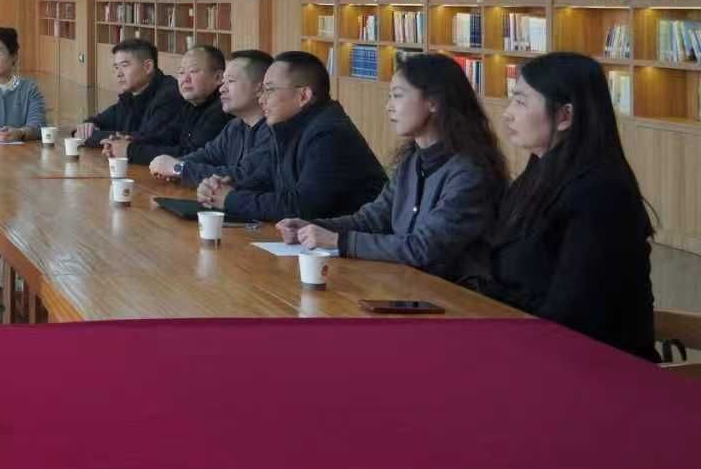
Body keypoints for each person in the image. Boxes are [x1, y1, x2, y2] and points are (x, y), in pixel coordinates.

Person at [458, 52, 655, 359]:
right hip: (529, 342)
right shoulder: (538, 171)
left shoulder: (601, 193)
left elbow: (570, 314)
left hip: (590, 363)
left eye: (521, 102)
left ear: (565, 116)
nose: (507, 114)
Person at [278, 53, 506, 276]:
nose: (388, 106)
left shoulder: (469, 172)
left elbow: (423, 248)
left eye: (397, 95)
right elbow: (371, 220)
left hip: (456, 294)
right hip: (408, 282)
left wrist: (339, 241)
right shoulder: (412, 161)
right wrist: (311, 227)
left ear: (434, 102)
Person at [198, 49, 385, 222]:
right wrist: (222, 188)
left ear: (303, 96)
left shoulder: (330, 135)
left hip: (355, 242)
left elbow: (302, 207)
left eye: (269, 90)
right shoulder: (288, 127)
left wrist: (230, 199)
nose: (261, 99)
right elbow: (264, 179)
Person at [151, 48, 274, 185]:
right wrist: (174, 164)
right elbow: (208, 155)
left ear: (259, 89)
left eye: (231, 81)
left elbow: (244, 176)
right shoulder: (235, 126)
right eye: (224, 82)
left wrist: (178, 169)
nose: (222, 88)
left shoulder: (273, 131)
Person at [125, 44, 229, 166]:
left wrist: (130, 151)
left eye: (193, 71)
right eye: (181, 72)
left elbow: (190, 156)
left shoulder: (222, 110)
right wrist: (131, 141)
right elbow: (167, 136)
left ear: (218, 77)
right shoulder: (191, 105)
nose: (185, 79)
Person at [74, 38, 181, 155]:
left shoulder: (169, 94)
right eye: (116, 67)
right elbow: (101, 120)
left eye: (124, 66)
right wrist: (88, 125)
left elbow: (145, 139)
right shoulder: (130, 96)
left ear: (148, 67)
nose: (118, 74)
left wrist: (90, 136)